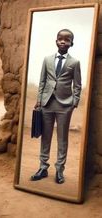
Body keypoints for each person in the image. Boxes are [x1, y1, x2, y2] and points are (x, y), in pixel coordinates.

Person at [30, 29, 82, 184]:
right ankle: (43, 167)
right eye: (60, 39)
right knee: (45, 137)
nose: (63, 42)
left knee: (62, 138)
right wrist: (39, 100)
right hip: (47, 103)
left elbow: (77, 85)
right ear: (56, 41)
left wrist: (74, 102)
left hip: (65, 106)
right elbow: (42, 81)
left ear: (71, 43)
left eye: (67, 40)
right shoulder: (47, 60)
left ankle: (59, 170)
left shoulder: (74, 63)